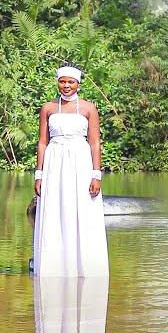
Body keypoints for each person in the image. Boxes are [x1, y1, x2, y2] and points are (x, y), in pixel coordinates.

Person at [32, 62, 109, 277]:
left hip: (80, 161)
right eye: (62, 81)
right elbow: (42, 143)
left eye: (71, 82)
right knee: (55, 208)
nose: (66, 86)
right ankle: (54, 266)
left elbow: (94, 143)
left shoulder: (88, 108)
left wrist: (96, 174)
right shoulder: (48, 108)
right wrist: (39, 173)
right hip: (55, 162)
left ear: (78, 84)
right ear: (58, 82)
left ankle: (84, 267)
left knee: (81, 208)